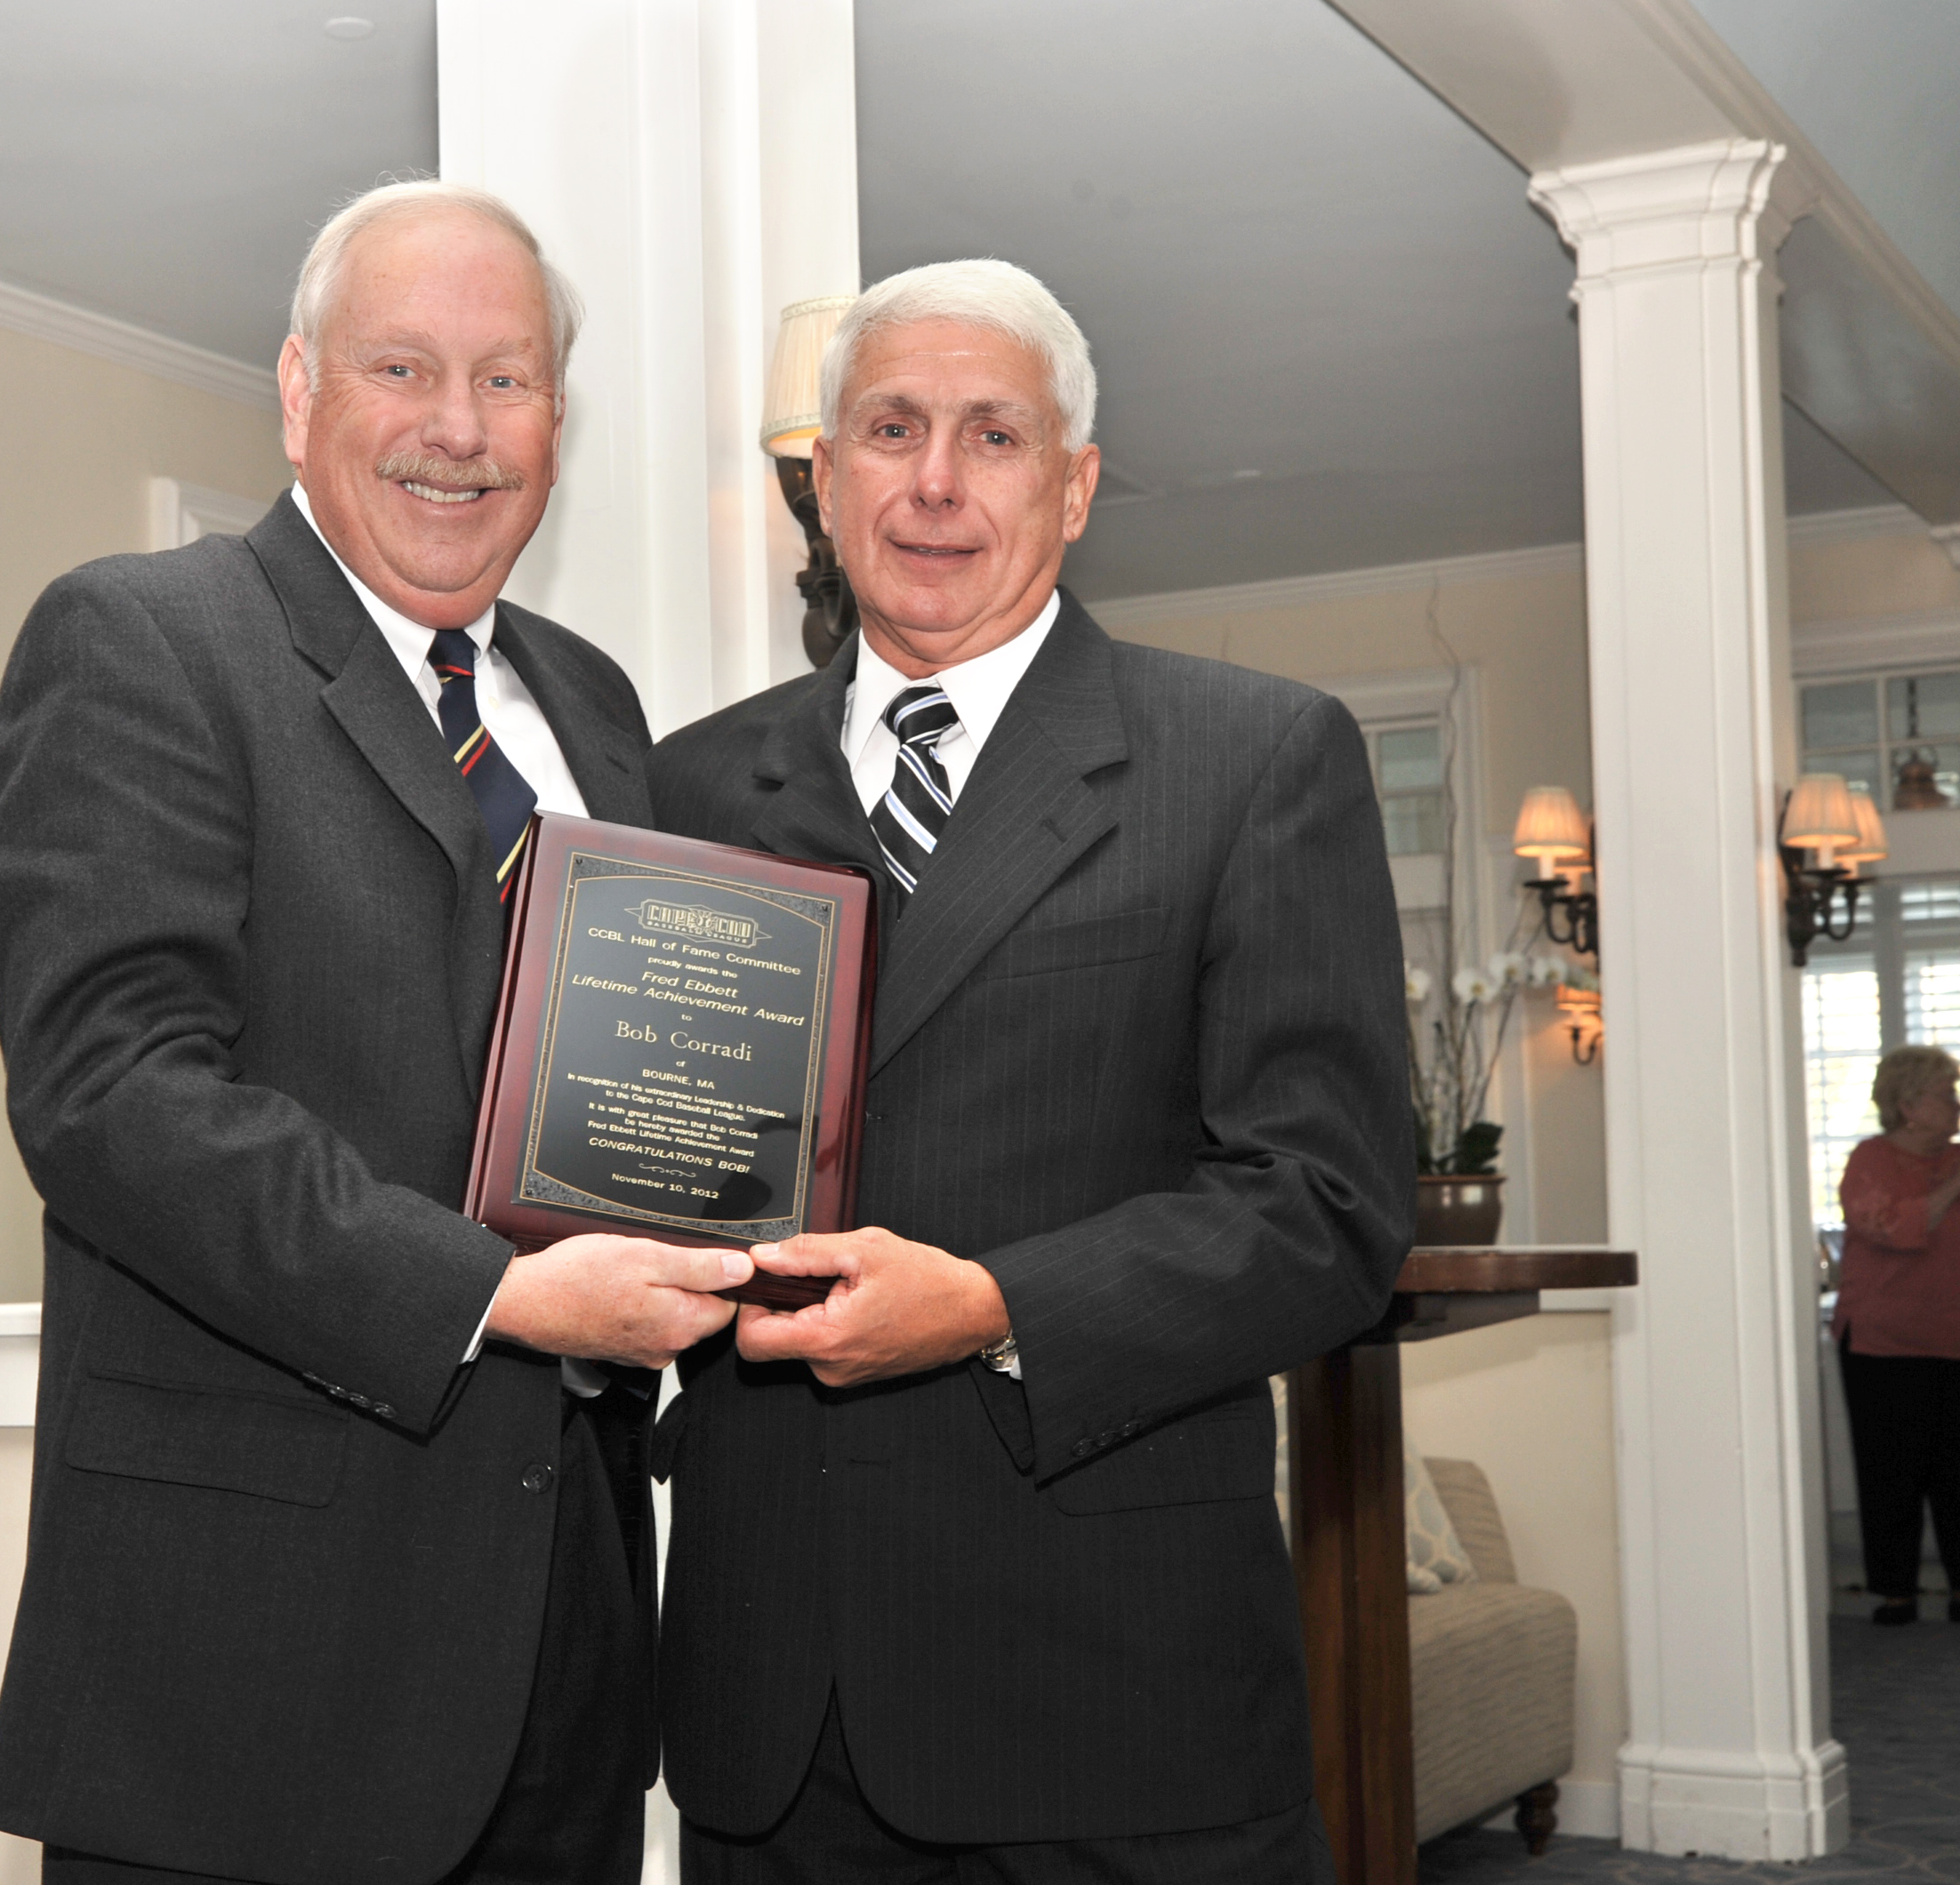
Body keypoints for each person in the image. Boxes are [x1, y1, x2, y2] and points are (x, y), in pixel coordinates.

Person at [0, 180, 752, 1885]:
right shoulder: (144, 640)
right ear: (298, 386)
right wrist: (495, 1292)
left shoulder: (593, 704)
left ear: (558, 417)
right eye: (402, 369)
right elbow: (111, 1095)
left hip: (566, 1656)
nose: (458, 431)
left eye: (509, 379)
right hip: (247, 1673)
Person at [648, 259, 1414, 1882]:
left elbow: (1326, 1210)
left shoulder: (1252, 758)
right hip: (768, 1722)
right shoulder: (689, 784)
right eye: (888, 428)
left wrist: (994, 1305)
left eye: (991, 437)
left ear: (1070, 491)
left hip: (1107, 1709)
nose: (932, 482)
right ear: (822, 480)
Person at [1835, 1044, 1960, 1628]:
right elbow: (1892, 1227)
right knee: (1892, 1470)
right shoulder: (1871, 1159)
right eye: (1947, 1095)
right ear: (1909, 1105)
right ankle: (1896, 1593)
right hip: (1884, 1344)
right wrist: (1957, 1184)